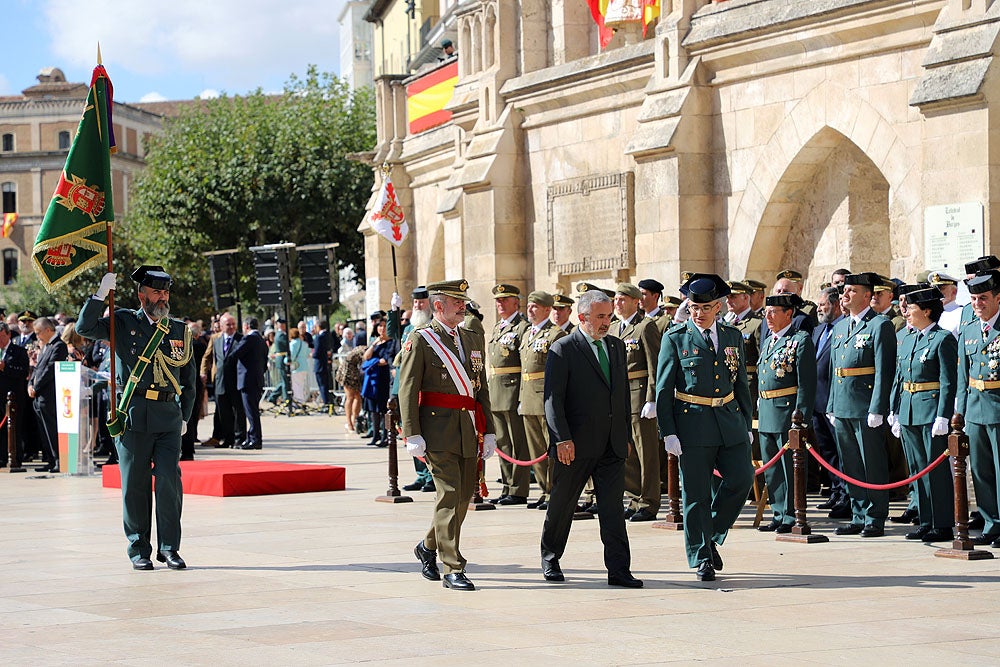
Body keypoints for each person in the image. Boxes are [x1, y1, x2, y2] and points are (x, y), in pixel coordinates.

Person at [77, 267, 196, 570]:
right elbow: (85, 328)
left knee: (169, 478)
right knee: (135, 485)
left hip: (168, 416)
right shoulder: (123, 321)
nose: (162, 297)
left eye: (166, 292)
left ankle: (169, 547)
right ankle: (139, 548)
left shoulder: (179, 329)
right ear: (141, 294)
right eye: (156, 292)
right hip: (132, 416)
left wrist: (185, 416)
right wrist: (100, 295)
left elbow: (191, 381)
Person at [539, 289, 641, 587]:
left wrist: (625, 434)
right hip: (575, 445)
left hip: (611, 443)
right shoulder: (563, 348)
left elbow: (620, 395)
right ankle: (550, 558)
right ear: (582, 317)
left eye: (609, 316)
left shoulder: (617, 347)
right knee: (562, 504)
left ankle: (619, 569)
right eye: (600, 317)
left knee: (612, 510)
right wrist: (562, 439)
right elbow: (552, 400)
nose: (606, 322)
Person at [656, 274, 754, 582]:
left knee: (742, 479)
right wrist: (668, 431)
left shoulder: (731, 335)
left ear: (719, 307)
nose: (700, 313)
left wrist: (746, 421)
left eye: (706, 307)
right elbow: (663, 388)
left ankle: (710, 533)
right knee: (696, 494)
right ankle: (701, 556)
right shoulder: (675, 337)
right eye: (695, 307)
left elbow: (741, 382)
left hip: (729, 420)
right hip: (692, 422)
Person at [399, 279, 496, 591]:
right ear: (438, 306)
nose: (462, 305)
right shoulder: (422, 339)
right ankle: (453, 566)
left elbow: (480, 389)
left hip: (468, 427)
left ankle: (428, 547)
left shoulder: (470, 337)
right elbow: (407, 389)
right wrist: (412, 433)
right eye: (456, 301)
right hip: (437, 431)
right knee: (449, 493)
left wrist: (490, 430)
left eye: (463, 300)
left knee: (464, 497)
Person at [826, 272, 896, 538]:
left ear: (867, 295)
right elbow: (835, 368)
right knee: (851, 463)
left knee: (872, 463)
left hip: (866, 405)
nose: (845, 295)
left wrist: (878, 407)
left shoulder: (879, 325)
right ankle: (857, 513)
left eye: (851, 291)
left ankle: (875, 516)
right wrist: (831, 404)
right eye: (844, 290)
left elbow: (884, 370)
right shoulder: (841, 327)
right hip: (843, 404)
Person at [888, 286, 956, 543]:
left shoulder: (942, 339)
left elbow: (948, 381)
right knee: (916, 469)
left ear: (927, 311)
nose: (906, 311)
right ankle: (925, 520)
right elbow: (899, 377)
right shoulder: (907, 338)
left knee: (935, 471)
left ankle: (942, 523)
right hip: (908, 410)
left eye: (912, 307)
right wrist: (894, 410)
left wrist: (943, 415)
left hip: (930, 411)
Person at [757, 293, 817, 532]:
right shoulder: (769, 341)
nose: (768, 317)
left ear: (789, 313)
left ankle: (792, 514)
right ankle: (778, 512)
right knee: (772, 469)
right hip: (767, 411)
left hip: (787, 412)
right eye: (766, 312)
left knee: (788, 467)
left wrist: (801, 417)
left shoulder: (799, 340)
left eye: (774, 312)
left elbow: (806, 383)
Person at [610, 282, 662, 522]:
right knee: (626, 451)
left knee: (646, 452)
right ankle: (633, 497)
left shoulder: (645, 327)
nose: (618, 304)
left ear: (635, 302)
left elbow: (655, 367)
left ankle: (649, 502)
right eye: (616, 300)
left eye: (623, 300)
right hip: (618, 399)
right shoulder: (612, 329)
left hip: (639, 397)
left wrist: (652, 399)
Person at [957, 269, 1000, 546]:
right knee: (981, 471)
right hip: (974, 409)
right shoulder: (970, 330)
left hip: (998, 409)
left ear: (998, 298)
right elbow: (963, 375)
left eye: (983, 298)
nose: (977, 304)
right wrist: (960, 411)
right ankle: (991, 522)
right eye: (973, 298)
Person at [517, 291, 566, 509]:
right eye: (529, 306)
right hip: (528, 398)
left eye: (535, 306)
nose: (530, 310)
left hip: (545, 398)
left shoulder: (555, 334)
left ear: (547, 309)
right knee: (536, 449)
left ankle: (554, 490)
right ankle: (544, 489)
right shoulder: (528, 334)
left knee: (550, 448)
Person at [488, 284, 531, 505]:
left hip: (513, 391)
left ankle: (518, 489)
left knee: (518, 443)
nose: (500, 304)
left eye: (504, 300)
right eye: (498, 300)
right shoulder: (498, 327)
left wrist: (523, 396)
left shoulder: (523, 327)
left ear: (516, 302)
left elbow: (525, 365)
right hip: (497, 391)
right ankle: (507, 485)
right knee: (503, 443)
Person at [812, 286, 849, 517]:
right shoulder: (818, 331)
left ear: (835, 305)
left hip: (835, 400)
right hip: (817, 401)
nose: (819, 308)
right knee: (828, 452)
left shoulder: (843, 329)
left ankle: (846, 495)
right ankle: (836, 491)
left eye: (823, 304)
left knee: (842, 451)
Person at [28, 317, 68, 473]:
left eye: (38, 332)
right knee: (44, 431)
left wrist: (36, 387)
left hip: (49, 395)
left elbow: (49, 370)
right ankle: (50, 459)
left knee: (52, 429)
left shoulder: (58, 346)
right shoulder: (45, 346)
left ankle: (59, 460)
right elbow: (38, 369)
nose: (37, 336)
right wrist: (30, 384)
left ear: (48, 330)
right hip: (39, 395)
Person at [201, 314, 245, 449]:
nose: (231, 327)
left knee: (238, 412)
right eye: (228, 324)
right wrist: (203, 372)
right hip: (220, 381)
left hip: (236, 381)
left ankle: (239, 438)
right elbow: (208, 357)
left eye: (233, 324)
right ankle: (228, 439)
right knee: (223, 413)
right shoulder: (216, 340)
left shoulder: (242, 339)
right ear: (221, 326)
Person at [231, 318, 269, 450]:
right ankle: (251, 437)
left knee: (251, 412)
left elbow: (235, 353)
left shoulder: (249, 339)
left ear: (246, 326)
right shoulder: (261, 340)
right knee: (252, 411)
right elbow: (265, 361)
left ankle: (255, 439)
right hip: (257, 380)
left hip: (248, 380)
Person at [361, 319, 399, 447]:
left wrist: (373, 362)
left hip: (384, 378)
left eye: (384, 326)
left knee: (384, 409)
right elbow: (366, 357)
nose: (382, 329)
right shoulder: (375, 342)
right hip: (372, 380)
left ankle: (385, 436)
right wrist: (373, 345)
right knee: (373, 410)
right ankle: (376, 434)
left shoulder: (391, 342)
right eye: (380, 326)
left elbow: (385, 360)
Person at [0, 321, 29, 469]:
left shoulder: (19, 351)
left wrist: (6, 368)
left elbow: (23, 372)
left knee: (14, 429)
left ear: (8, 334)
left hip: (13, 397)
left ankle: (15, 458)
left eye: (1, 336)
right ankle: (1, 457)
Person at [182, 320, 209, 461]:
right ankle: (189, 445)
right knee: (192, 415)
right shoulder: (200, 345)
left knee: (188, 416)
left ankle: (187, 447)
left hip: (189, 383)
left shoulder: (191, 346)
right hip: (195, 383)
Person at [336, 345, 365, 433]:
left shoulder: (363, 349)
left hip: (352, 370)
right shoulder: (366, 351)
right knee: (351, 397)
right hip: (348, 371)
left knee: (356, 396)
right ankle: (350, 422)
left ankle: (353, 422)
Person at [266, 318, 289, 403]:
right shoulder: (280, 335)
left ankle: (274, 396)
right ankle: (285, 398)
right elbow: (286, 345)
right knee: (284, 381)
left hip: (282, 358)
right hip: (282, 358)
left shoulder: (281, 334)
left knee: (284, 380)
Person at [312, 320, 334, 409]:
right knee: (327, 383)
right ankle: (329, 401)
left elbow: (317, 351)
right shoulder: (329, 336)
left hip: (320, 364)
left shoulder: (319, 337)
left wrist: (312, 355)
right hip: (326, 363)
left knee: (322, 385)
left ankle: (326, 403)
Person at [287, 327, 311, 404]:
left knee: (296, 386)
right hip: (304, 366)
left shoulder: (292, 344)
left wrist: (285, 360)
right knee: (301, 386)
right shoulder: (304, 343)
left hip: (296, 367)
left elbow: (292, 356)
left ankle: (298, 403)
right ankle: (301, 402)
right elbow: (308, 353)